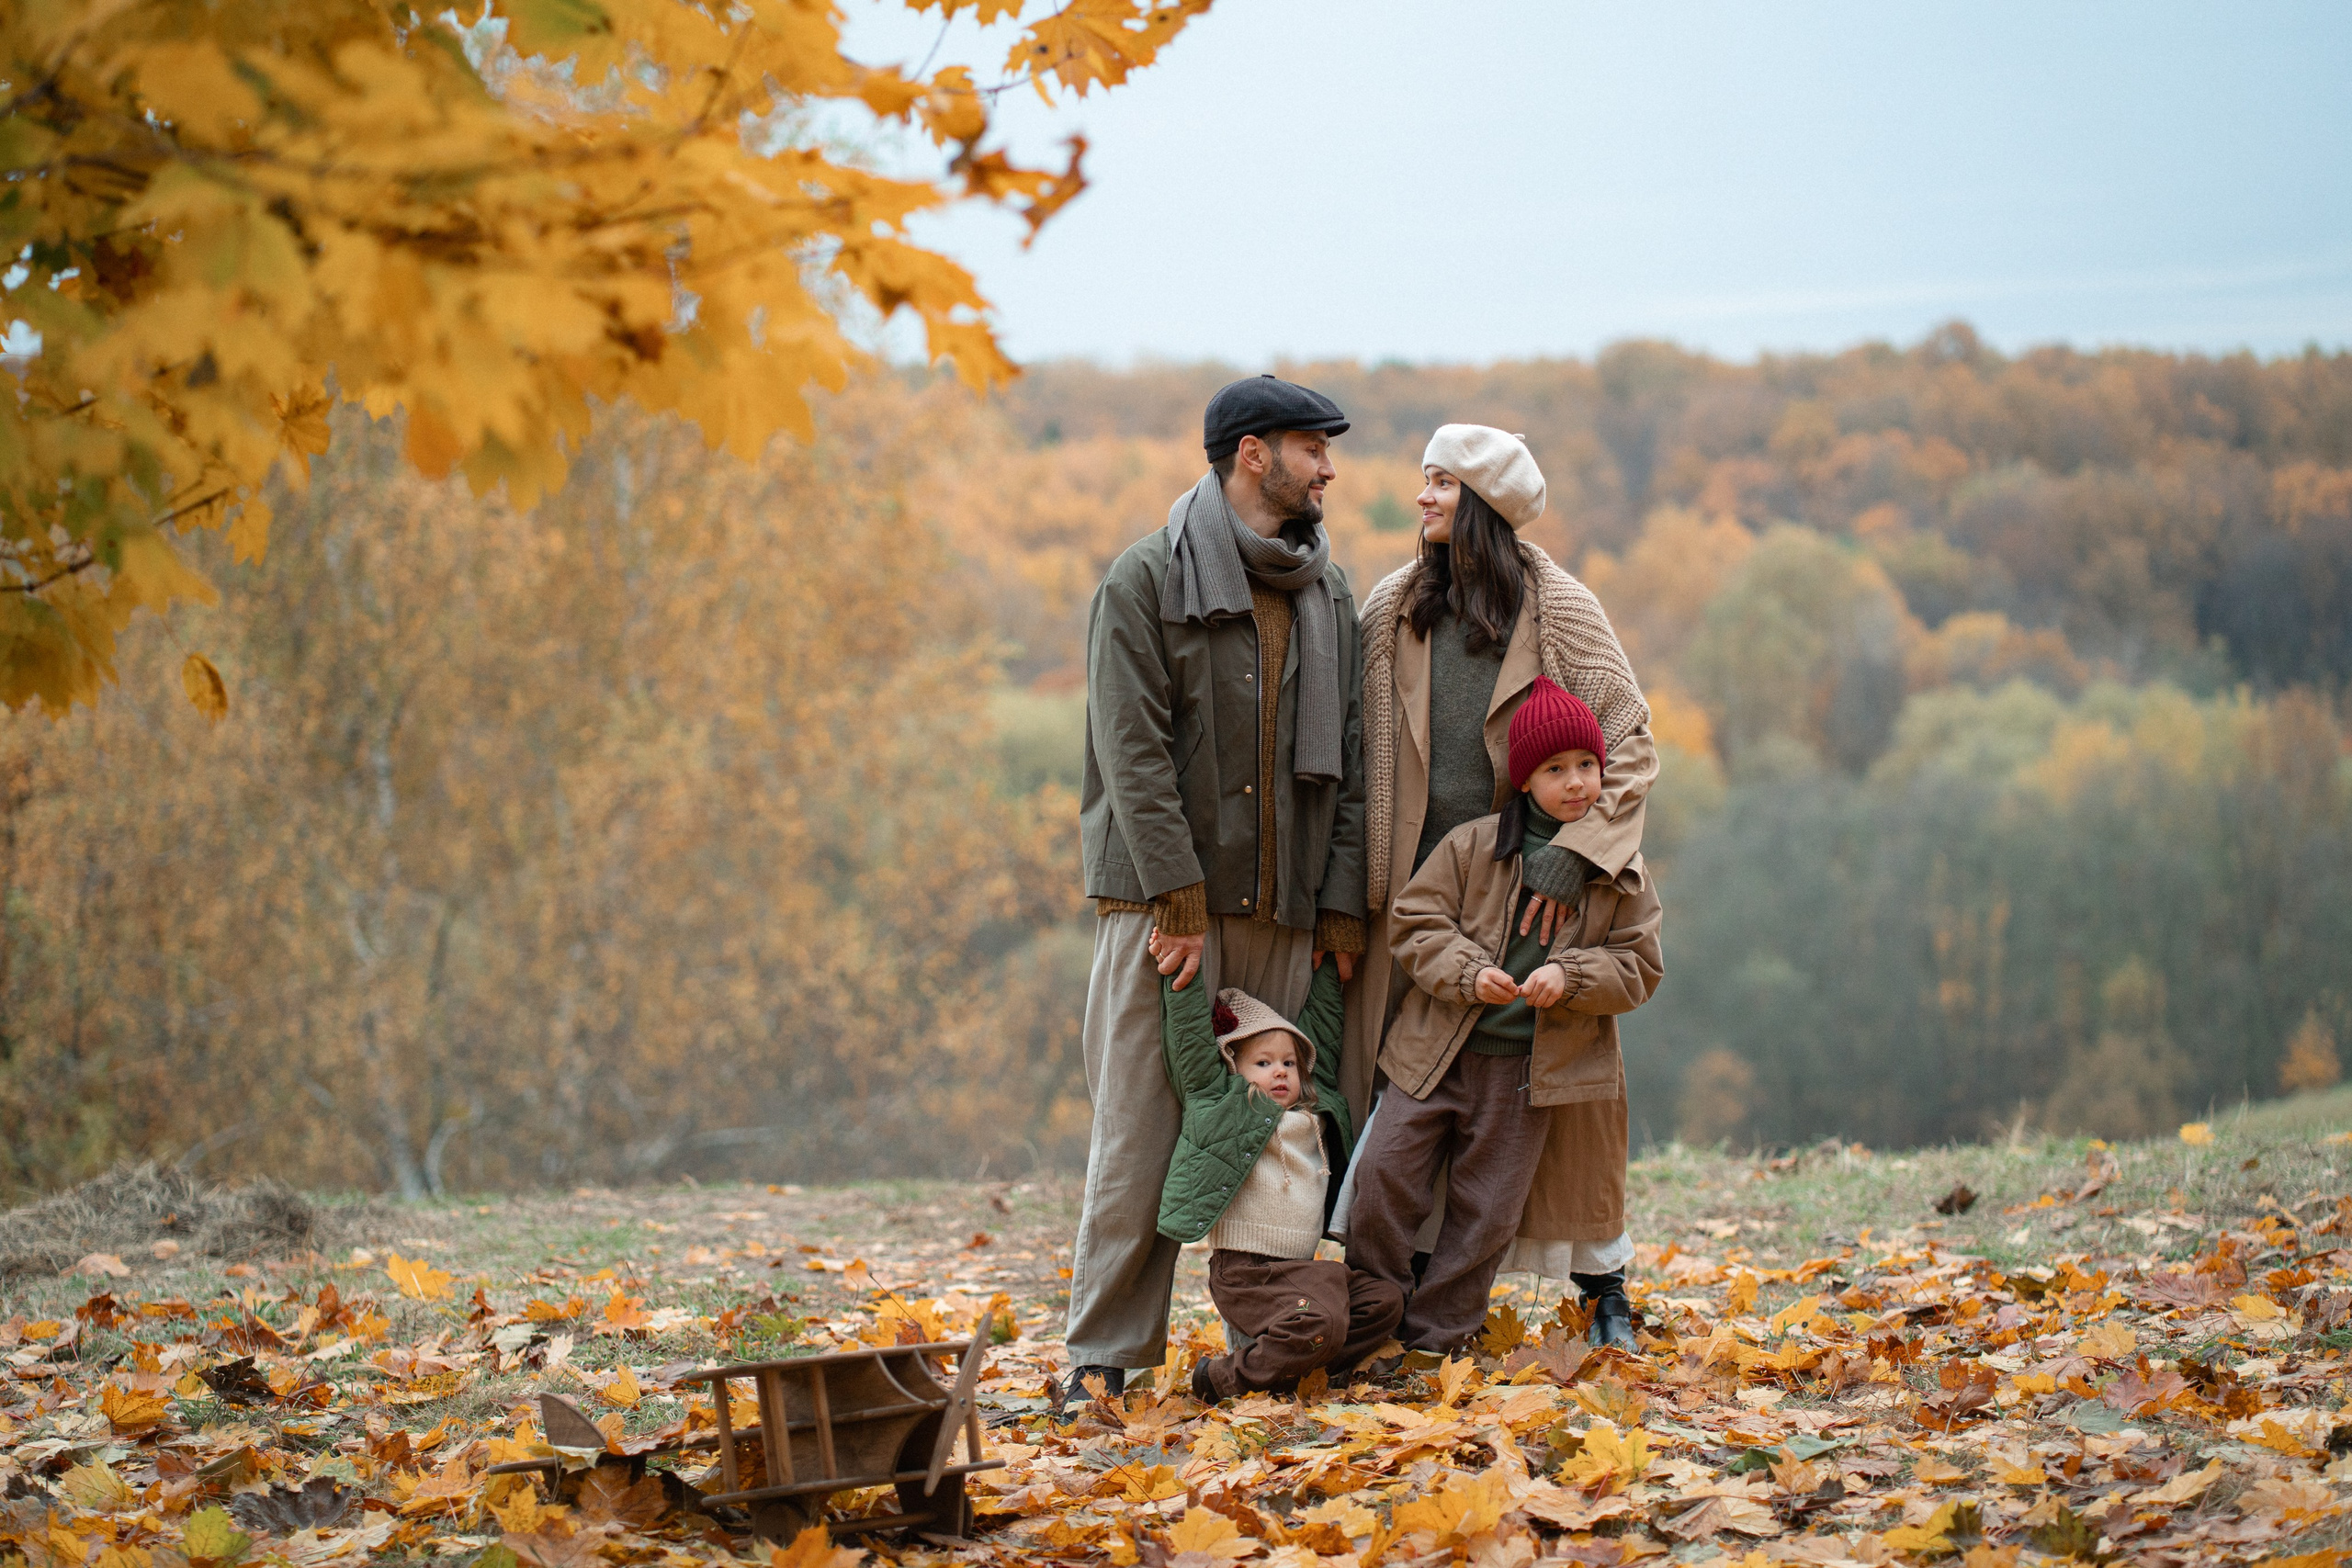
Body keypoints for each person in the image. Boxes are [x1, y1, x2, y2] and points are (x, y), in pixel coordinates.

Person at [1064, 375, 1370, 1404]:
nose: (1327, 467)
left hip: (1288, 910)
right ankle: (1102, 1358)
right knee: (1142, 1136)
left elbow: (1354, 763)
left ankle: (1278, 1342)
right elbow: (1132, 751)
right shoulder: (1142, 579)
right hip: (1167, 913)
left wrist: (1336, 903)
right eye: (1310, 447)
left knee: (1292, 1135)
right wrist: (1177, 898)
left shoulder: (1327, 590)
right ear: (1251, 453)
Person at [1341, 423, 1657, 1348]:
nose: (1422, 497)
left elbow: (1628, 742)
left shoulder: (1560, 609)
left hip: (1529, 894)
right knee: (1412, 1101)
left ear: (1483, 502)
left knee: (1557, 1104)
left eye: (1440, 482)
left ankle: (1604, 1286)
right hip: (1416, 903)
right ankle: (1390, 1298)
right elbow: (1358, 756)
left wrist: (1573, 854)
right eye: (1422, 479)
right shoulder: (1392, 607)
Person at [1347, 679, 1665, 1353]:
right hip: (1435, 1052)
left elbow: (1639, 964)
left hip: (1527, 1075)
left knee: (1486, 1211)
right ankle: (1372, 1315)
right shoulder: (1472, 846)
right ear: (1524, 780)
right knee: (1383, 1174)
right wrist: (1467, 971)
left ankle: (1438, 1340)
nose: (1576, 782)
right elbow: (1414, 922)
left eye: (1587, 765)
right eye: (1555, 769)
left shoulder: (1619, 869)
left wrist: (1570, 973)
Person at [1145, 958, 1403, 1398]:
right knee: (1320, 1322)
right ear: (1233, 1067)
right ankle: (1222, 1379)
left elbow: (1321, 1032)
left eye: (1288, 1063)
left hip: (1299, 1269)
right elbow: (1189, 1044)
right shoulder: (1220, 1103)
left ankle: (1301, 1371)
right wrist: (1180, 978)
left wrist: (1331, 969)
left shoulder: (1316, 1110)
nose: (1280, 1071)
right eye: (1262, 1063)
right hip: (1247, 1272)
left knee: (1384, 1302)